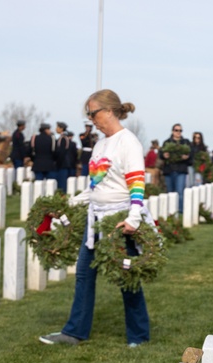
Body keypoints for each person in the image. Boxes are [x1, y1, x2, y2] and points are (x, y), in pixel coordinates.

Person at [40, 89, 153, 348]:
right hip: (95, 220)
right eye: (88, 114)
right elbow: (95, 187)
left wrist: (134, 218)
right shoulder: (100, 144)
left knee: (127, 276)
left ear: (110, 111)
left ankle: (139, 335)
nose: (91, 119)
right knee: (83, 275)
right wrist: (69, 204)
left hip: (118, 221)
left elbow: (136, 184)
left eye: (93, 113)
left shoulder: (128, 142)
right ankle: (75, 332)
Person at [161, 124, 191, 211]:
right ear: (172, 131)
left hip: (181, 170)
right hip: (169, 170)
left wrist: (187, 157)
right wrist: (164, 155)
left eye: (180, 130)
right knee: (170, 193)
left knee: (180, 192)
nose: (178, 132)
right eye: (176, 130)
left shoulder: (186, 142)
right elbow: (161, 154)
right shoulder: (166, 143)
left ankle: (180, 211)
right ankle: (171, 211)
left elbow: (191, 154)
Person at [53, 122, 70, 191]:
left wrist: (57, 162)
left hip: (62, 164)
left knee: (62, 184)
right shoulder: (61, 138)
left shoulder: (63, 138)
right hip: (61, 164)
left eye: (57, 127)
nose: (56, 129)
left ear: (61, 128)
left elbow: (61, 152)